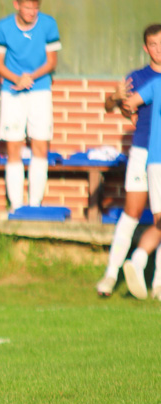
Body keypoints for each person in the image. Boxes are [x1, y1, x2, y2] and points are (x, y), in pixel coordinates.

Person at [97, 24, 161, 298]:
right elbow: (117, 105)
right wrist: (116, 98)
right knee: (133, 212)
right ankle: (111, 275)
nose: (159, 49)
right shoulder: (139, 77)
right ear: (146, 48)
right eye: (154, 45)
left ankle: (157, 282)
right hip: (144, 151)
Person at [0, 0, 61, 210]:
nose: (32, 12)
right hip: (12, 92)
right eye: (28, 7)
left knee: (40, 145)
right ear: (16, 5)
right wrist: (17, 79)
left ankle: (34, 205)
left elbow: (51, 62)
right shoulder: (3, 27)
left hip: (40, 90)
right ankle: (16, 206)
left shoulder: (49, 24)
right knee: (13, 146)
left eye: (36, 8)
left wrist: (30, 78)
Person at [122, 56, 161, 301]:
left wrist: (130, 113)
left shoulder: (156, 83)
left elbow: (129, 104)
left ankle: (139, 263)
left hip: (155, 159)